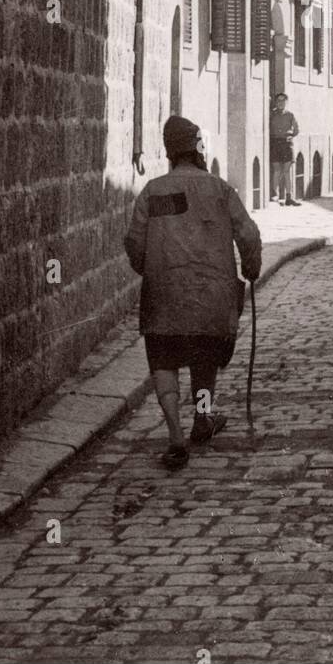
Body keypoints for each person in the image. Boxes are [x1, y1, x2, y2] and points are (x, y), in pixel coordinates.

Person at [124, 116, 261, 470]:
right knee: (204, 359)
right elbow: (248, 234)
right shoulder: (220, 189)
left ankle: (174, 437)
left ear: (170, 152)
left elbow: (136, 245)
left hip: (163, 295)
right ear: (197, 149)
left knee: (164, 360)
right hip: (212, 296)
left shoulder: (153, 192)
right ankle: (202, 419)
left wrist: (150, 268)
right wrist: (251, 266)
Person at [270, 92, 300, 206]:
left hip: (287, 144)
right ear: (276, 102)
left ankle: (289, 197)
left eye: (283, 101)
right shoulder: (272, 114)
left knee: (287, 171)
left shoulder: (290, 115)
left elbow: (296, 129)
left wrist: (291, 135)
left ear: (286, 102)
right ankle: (275, 195)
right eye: (278, 101)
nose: (280, 103)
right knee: (277, 170)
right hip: (275, 143)